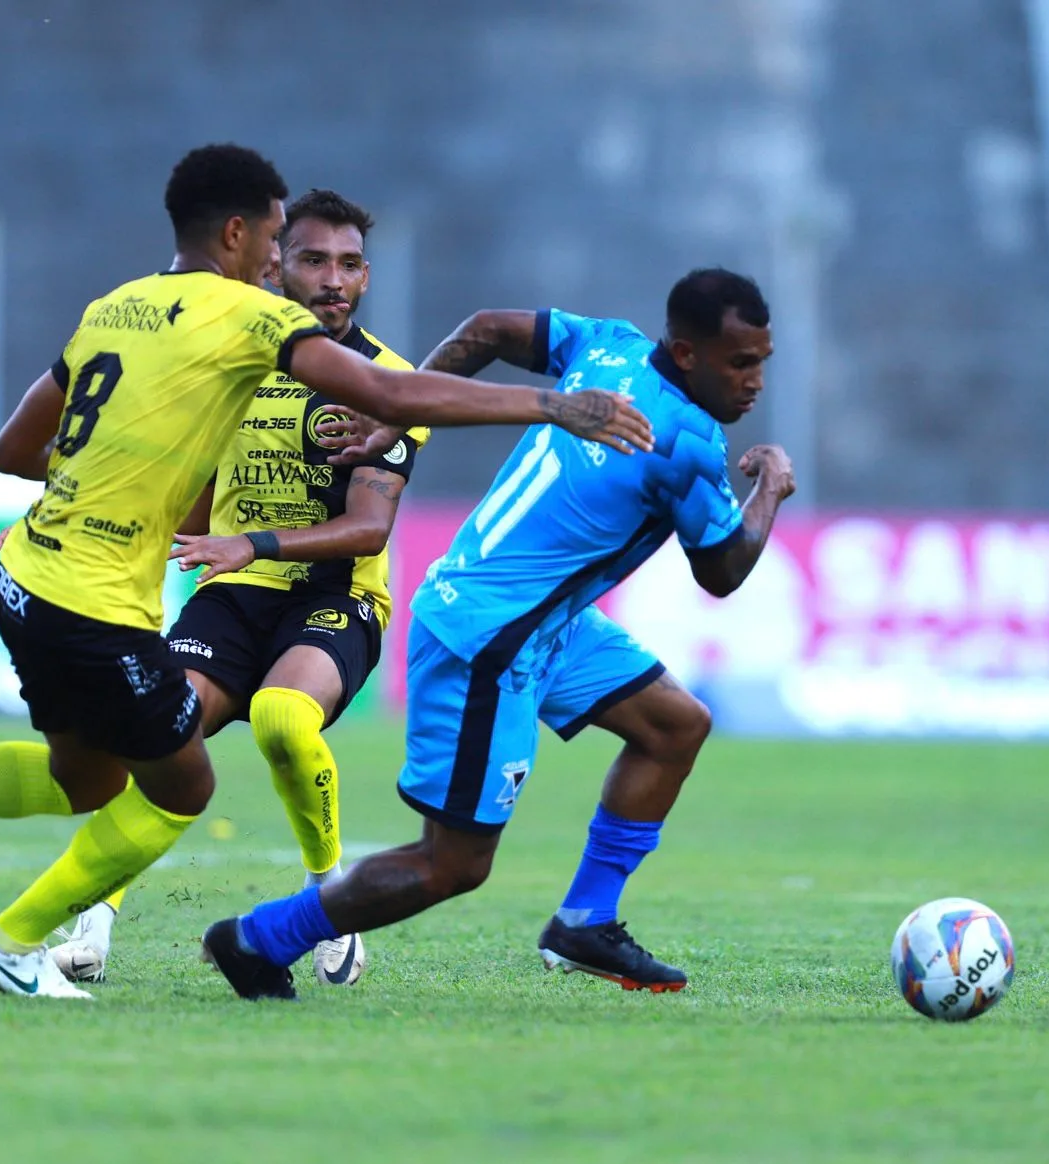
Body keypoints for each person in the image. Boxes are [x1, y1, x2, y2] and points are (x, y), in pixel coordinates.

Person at [0, 143, 651, 1001]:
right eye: (283, 247)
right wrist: (550, 403)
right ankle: (12, 941)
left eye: (340, 261)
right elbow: (392, 397)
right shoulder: (257, 323)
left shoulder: (115, 306)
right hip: (99, 603)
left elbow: (14, 450)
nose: (294, 269)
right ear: (242, 238)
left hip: (25, 573)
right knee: (183, 783)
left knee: (90, 776)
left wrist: (128, 484)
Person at [200, 268, 797, 1001]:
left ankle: (586, 921)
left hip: (543, 622)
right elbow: (725, 572)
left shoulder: (608, 345)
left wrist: (397, 420)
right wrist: (770, 484)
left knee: (675, 725)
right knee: (453, 865)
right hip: (490, 638)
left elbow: (486, 326)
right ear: (683, 353)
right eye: (740, 362)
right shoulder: (688, 445)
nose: (756, 381)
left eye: (762, 360)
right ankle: (257, 939)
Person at [48, 188, 423, 988]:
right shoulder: (229, 362)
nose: (333, 279)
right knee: (159, 734)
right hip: (232, 592)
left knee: (285, 721)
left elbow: (370, 529)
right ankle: (91, 923)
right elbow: (184, 489)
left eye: (351, 264)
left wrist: (247, 541)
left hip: (334, 596)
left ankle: (331, 903)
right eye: (314, 259)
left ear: (367, 278)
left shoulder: (386, 380)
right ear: (276, 264)